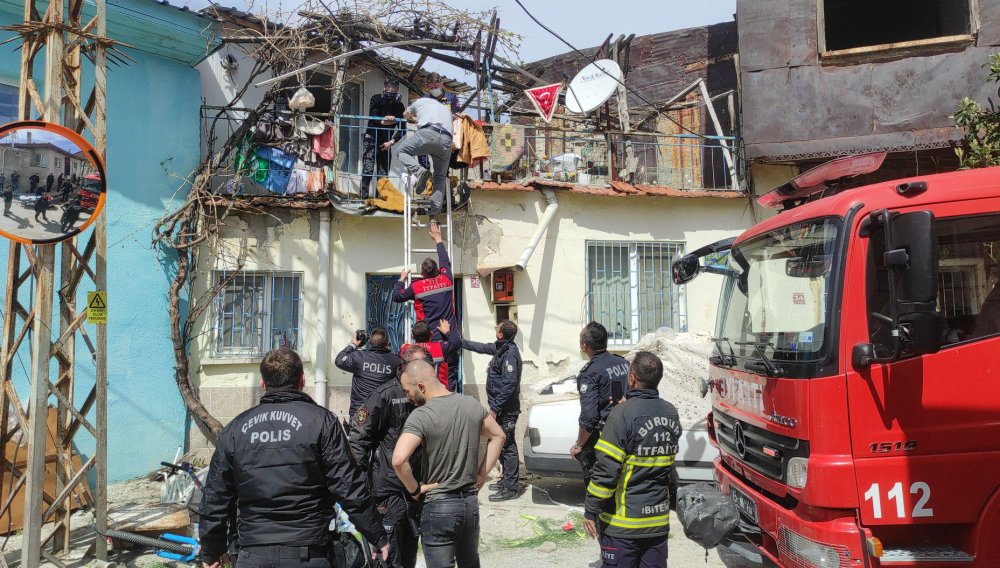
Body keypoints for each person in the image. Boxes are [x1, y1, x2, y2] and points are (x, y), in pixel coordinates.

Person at [199, 349, 389, 568]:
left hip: (255, 553)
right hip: (307, 552)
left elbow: (215, 497)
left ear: (263, 384)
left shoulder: (236, 429)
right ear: (302, 380)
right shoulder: (321, 422)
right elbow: (348, 487)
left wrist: (211, 552)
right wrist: (377, 535)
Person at [392, 359, 505, 568]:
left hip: (438, 506)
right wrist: (482, 474)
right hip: (470, 504)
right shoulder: (470, 404)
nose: (406, 396)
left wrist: (415, 489)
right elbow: (498, 435)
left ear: (421, 387)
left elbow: (399, 460)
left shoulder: (421, 415)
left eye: (407, 391)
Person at [583, 352, 681, 568]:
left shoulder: (621, 414)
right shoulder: (671, 412)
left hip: (623, 526)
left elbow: (606, 471)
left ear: (632, 378)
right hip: (657, 524)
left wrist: (591, 510)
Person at [348, 345, 431, 568]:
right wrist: (360, 485)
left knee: (409, 555)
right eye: (418, 367)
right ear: (403, 367)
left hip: (417, 489)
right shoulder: (386, 395)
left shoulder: (428, 393)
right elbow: (358, 438)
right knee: (390, 558)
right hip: (390, 491)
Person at [460, 320, 522, 502]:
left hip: (506, 409)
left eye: (498, 327)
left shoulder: (510, 354)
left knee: (508, 445)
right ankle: (506, 480)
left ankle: (511, 488)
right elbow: (480, 347)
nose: (495, 328)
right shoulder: (501, 348)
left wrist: (495, 408)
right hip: (500, 407)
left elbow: (510, 384)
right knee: (500, 443)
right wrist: (456, 340)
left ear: (501, 334)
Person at [392, 221, 460, 388]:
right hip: (449, 336)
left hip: (430, 339)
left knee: (426, 376)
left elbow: (396, 296)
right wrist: (438, 239)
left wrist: (401, 279)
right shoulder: (446, 278)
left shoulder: (417, 286)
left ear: (422, 274)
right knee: (448, 376)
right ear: (437, 271)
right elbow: (445, 261)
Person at [570, 321, 631, 488]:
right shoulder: (623, 363)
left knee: (598, 484)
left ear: (584, 345)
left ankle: (595, 513)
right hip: (628, 432)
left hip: (604, 438)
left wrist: (579, 445)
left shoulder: (590, 373)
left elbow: (589, 416)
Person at [397, 96, 453, 220]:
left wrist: (413, 118)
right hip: (446, 140)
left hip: (428, 133)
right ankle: (434, 214)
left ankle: (420, 171)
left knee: (401, 151)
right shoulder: (445, 109)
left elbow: (405, 114)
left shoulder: (419, 101)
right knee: (440, 177)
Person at [336, 327, 403, 419]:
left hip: (360, 413)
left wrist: (354, 344)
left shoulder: (359, 357)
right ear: (387, 343)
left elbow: (339, 360)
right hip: (383, 413)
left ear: (369, 342)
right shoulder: (395, 361)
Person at [361, 78, 406, 200]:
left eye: (394, 87)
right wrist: (386, 120)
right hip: (371, 139)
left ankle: (379, 199)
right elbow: (373, 117)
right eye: (388, 86)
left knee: (383, 174)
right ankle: (363, 199)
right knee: (368, 170)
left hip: (386, 143)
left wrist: (391, 142)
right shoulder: (376, 99)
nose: (391, 90)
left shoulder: (399, 106)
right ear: (384, 87)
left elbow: (403, 129)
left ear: (397, 89)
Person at [402, 319, 460, 390]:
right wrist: (447, 332)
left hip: (417, 392)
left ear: (413, 337)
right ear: (431, 334)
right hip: (439, 391)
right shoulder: (439, 347)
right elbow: (456, 342)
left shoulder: (407, 350)